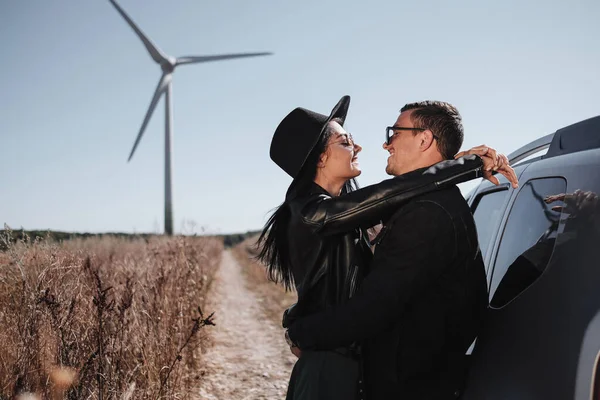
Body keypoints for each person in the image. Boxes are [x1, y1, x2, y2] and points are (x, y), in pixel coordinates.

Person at [259, 96, 517, 400]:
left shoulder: (376, 213)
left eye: (394, 133)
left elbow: (387, 199)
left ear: (424, 139)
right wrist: (461, 166)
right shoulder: (313, 213)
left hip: (357, 362)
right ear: (320, 159)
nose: (370, 146)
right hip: (333, 360)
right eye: (346, 142)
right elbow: (387, 195)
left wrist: (299, 326)